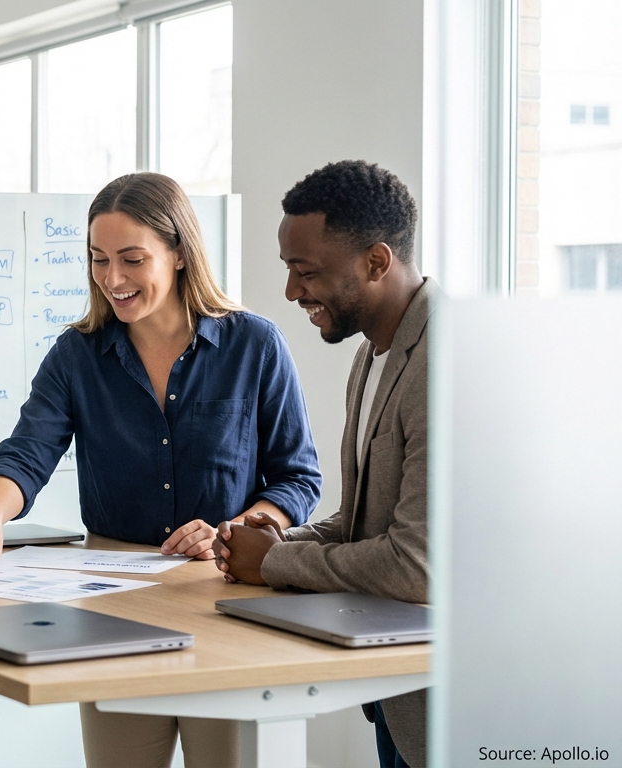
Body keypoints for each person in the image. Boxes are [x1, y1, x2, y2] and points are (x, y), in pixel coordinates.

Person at [0, 172, 322, 768]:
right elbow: (27, 452)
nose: (112, 278)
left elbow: (298, 478)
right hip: (113, 609)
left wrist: (238, 527)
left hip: (226, 597)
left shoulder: (256, 344)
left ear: (179, 254)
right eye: (98, 259)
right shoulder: (77, 353)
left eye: (132, 259)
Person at [212, 160, 433, 768]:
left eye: (305, 272)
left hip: (467, 704)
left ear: (376, 261)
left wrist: (278, 560)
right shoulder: (374, 354)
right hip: (400, 694)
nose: (290, 293)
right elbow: (366, 520)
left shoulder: (448, 361)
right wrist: (280, 534)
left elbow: (417, 564)